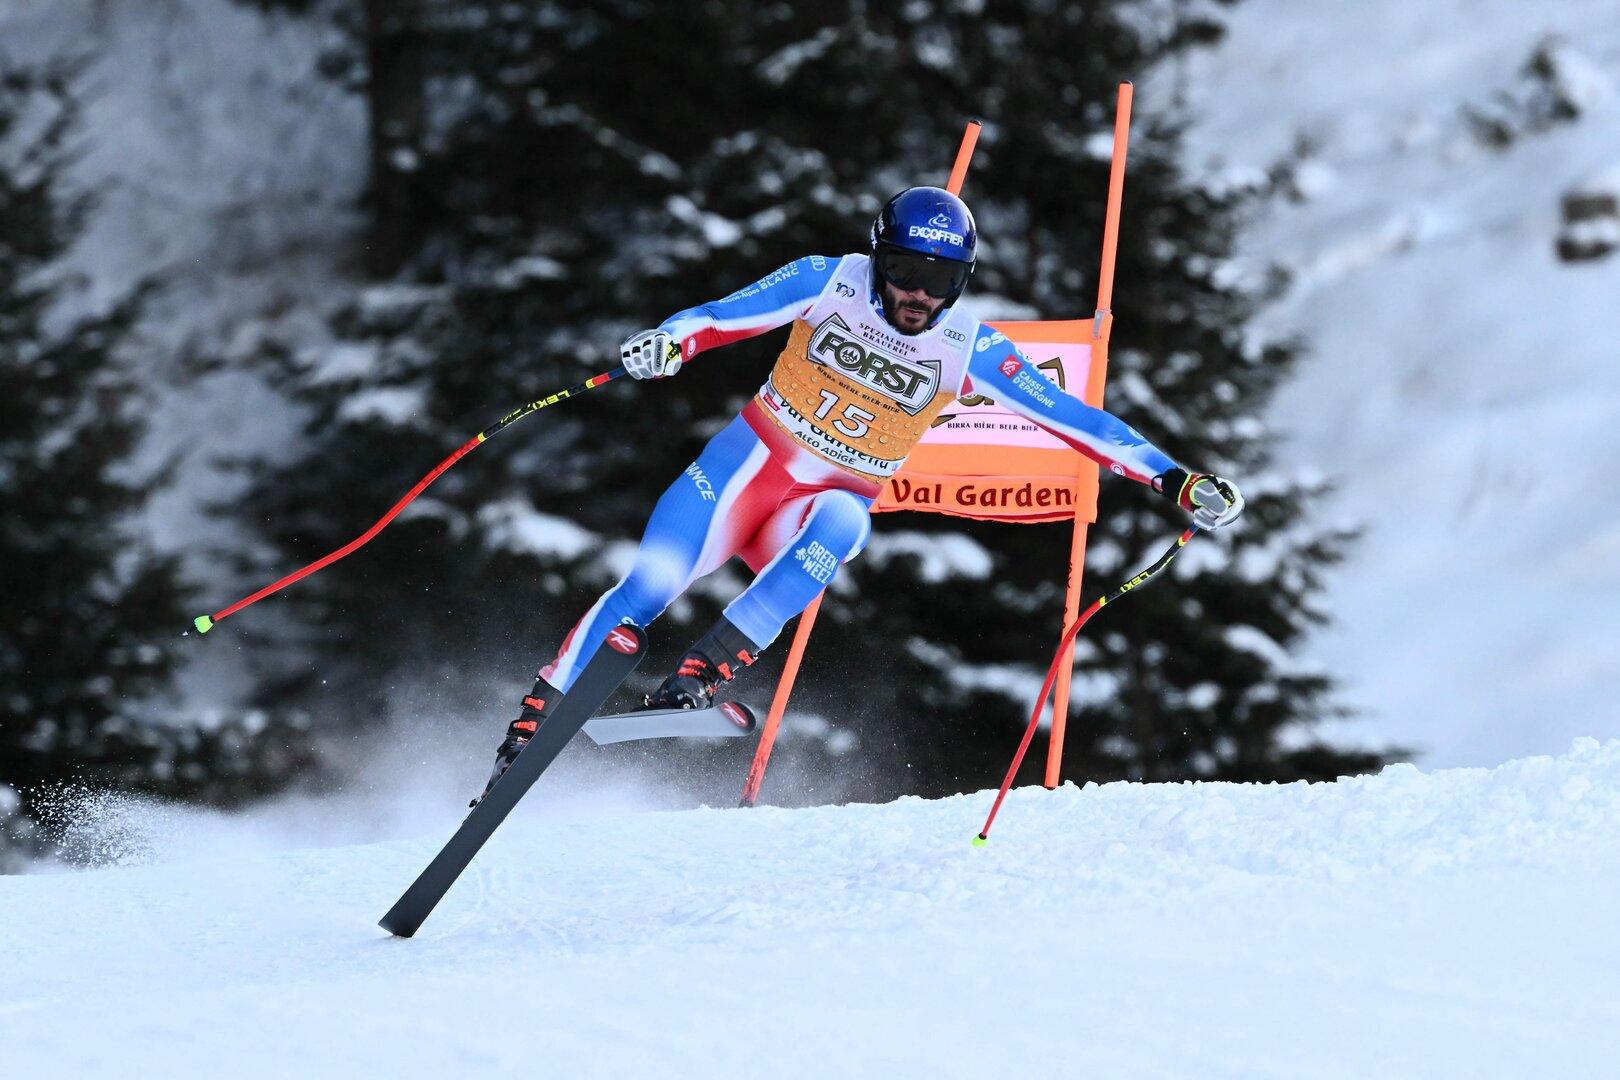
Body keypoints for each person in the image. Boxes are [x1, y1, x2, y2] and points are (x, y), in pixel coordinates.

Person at [479, 186, 1242, 797]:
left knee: (848, 519)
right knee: (649, 582)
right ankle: (537, 716)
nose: (917, 294)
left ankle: (707, 665)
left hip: (811, 510)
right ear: (879, 257)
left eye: (939, 281)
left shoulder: (966, 345)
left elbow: (1074, 419)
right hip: (742, 475)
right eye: (906, 271)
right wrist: (669, 341)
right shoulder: (828, 280)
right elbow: (719, 318)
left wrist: (1173, 479)